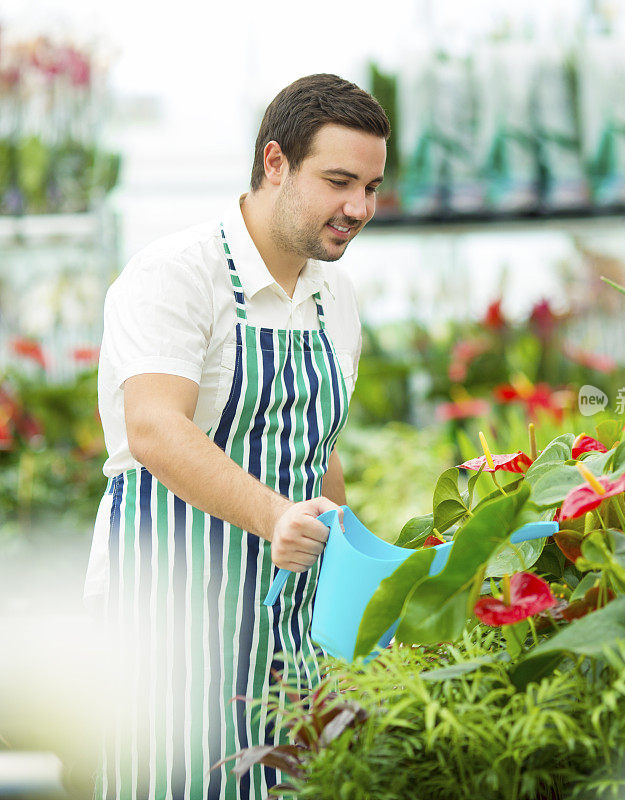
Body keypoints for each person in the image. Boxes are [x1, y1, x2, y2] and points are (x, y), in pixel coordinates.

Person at [84, 73, 389, 800]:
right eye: (340, 181)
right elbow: (156, 427)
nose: (359, 208)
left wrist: (361, 585)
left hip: (286, 649)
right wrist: (275, 516)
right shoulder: (175, 276)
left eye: (372, 187)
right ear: (275, 162)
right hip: (167, 641)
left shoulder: (334, 298)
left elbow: (318, 451)